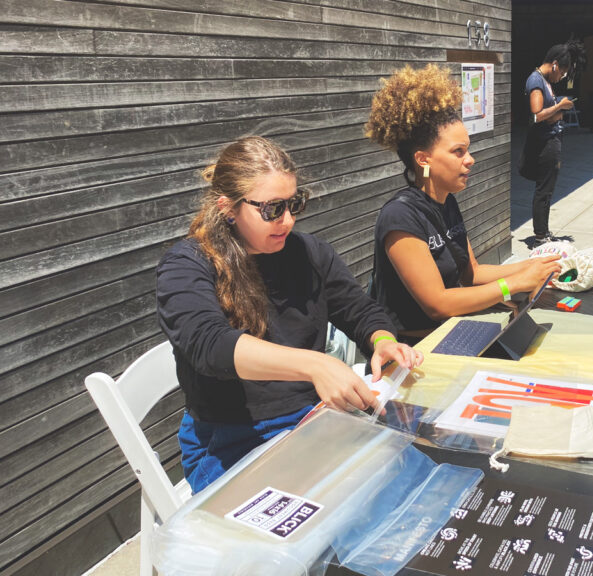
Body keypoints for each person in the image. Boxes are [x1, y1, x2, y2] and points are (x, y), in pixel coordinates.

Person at [156, 136, 423, 493]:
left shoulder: (308, 253)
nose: (287, 220)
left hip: (313, 420)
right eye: (272, 209)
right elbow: (210, 345)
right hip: (232, 437)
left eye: (294, 204)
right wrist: (315, 365)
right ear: (228, 207)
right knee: (338, 512)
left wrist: (383, 340)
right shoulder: (188, 264)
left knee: (408, 479)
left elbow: (356, 307)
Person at [366, 65, 562, 343]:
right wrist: (514, 284)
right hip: (415, 348)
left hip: (455, 332)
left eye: (467, 149)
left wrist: (537, 266)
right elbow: (438, 304)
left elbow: (473, 273)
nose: (470, 159)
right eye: (458, 152)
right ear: (423, 159)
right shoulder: (400, 216)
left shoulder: (447, 202)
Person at [519, 38, 587, 245]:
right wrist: (559, 107)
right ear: (555, 64)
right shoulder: (536, 81)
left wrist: (558, 108)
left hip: (552, 139)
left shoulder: (544, 81)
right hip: (545, 143)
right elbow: (536, 115)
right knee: (544, 190)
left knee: (547, 190)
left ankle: (544, 232)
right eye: (562, 73)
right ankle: (540, 236)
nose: (562, 77)